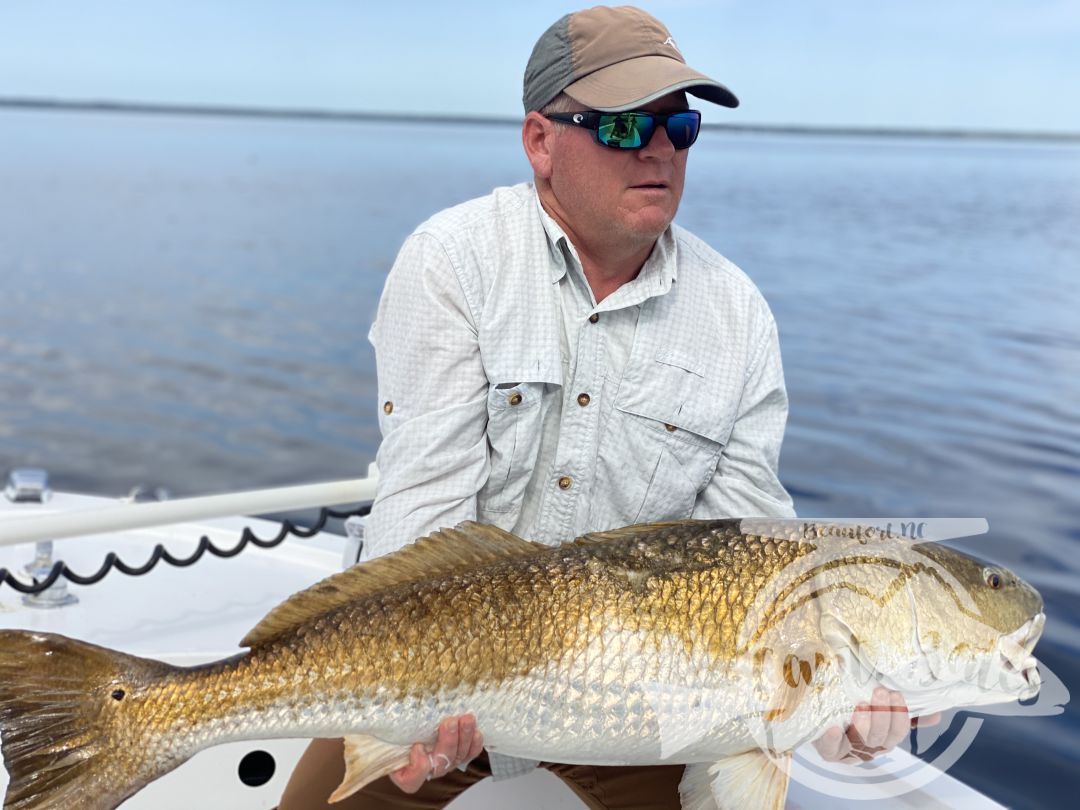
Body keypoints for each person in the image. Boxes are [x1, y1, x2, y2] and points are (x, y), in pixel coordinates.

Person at [279, 6, 936, 809]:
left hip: (642, 697)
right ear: (540, 140)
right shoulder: (453, 261)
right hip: (443, 671)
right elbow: (425, 506)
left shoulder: (738, 314)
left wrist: (831, 700)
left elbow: (751, 556)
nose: (659, 148)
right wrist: (412, 699)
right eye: (625, 126)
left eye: (680, 125)